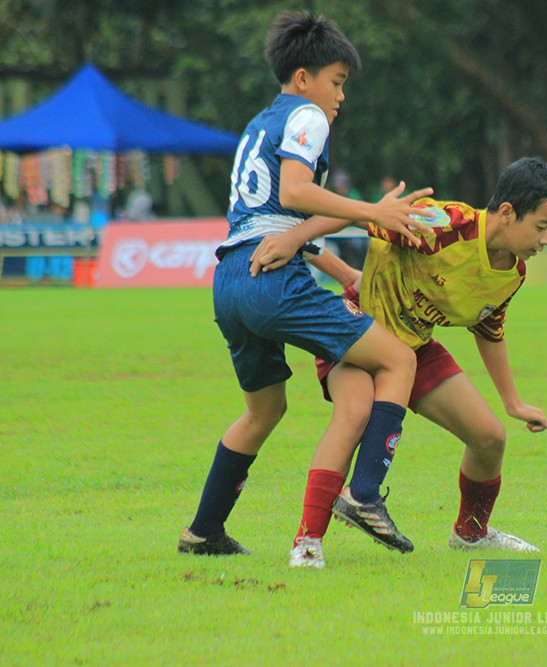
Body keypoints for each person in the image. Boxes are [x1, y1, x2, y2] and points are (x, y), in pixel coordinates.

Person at [176, 9, 434, 558]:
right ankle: (364, 495)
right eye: (336, 82)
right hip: (273, 284)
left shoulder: (260, 124)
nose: (340, 96)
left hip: (230, 280)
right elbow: (296, 194)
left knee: (264, 411)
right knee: (398, 361)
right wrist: (373, 212)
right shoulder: (308, 116)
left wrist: (344, 272)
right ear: (303, 78)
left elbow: (279, 224)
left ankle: (203, 532)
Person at [257, 157, 547, 567]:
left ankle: (471, 535)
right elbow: (356, 218)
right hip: (357, 331)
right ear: (508, 213)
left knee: (490, 437)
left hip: (415, 347)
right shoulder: (443, 225)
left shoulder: (512, 272)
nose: (546, 239)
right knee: (354, 414)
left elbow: (490, 329)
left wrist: (512, 403)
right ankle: (308, 541)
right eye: (542, 226)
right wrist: (295, 238)